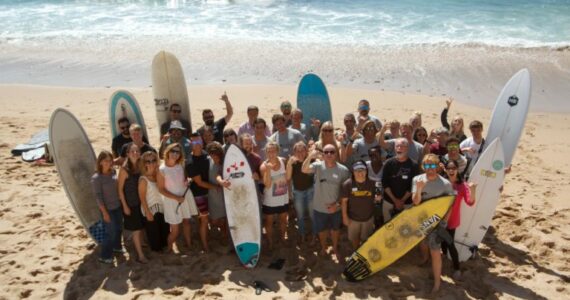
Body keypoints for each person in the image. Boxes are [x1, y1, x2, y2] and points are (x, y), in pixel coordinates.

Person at [411, 154, 454, 293]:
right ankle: (424, 259)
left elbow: (450, 205)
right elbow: (416, 202)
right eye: (427, 166)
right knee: (422, 244)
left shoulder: (445, 184)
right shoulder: (417, 180)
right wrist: (419, 188)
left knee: (435, 252)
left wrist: (444, 223)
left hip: (436, 223)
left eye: (433, 165)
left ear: (437, 166)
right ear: (424, 167)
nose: (430, 169)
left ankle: (437, 283)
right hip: (420, 220)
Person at [302, 144, 350, 260]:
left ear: (336, 154)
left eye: (332, 152)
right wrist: (310, 156)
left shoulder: (343, 170)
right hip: (319, 208)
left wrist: (337, 205)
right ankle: (323, 248)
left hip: (336, 209)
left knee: (335, 230)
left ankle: (334, 248)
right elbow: (304, 169)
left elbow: (346, 192)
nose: (329, 154)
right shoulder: (317, 166)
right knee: (322, 231)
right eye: (326, 152)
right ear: (323, 154)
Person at [442, 159, 477, 280]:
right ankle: (444, 261)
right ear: (445, 170)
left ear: (457, 170)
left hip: (452, 221)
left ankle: (457, 268)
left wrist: (473, 190)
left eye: (453, 168)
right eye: (449, 168)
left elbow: (470, 202)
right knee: (442, 242)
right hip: (438, 219)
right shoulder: (441, 182)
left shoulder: (462, 186)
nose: (451, 170)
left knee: (450, 244)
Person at [157, 143, 192, 253]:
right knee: (175, 230)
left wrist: (187, 181)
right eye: (173, 151)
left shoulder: (180, 165)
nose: (175, 154)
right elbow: (161, 189)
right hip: (172, 201)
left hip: (183, 197)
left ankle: (189, 244)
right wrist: (176, 198)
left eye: (178, 152)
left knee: (187, 222)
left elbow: (183, 180)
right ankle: (169, 248)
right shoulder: (161, 170)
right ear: (168, 152)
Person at [91, 150, 123, 264]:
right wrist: (104, 213)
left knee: (119, 228)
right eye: (105, 161)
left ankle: (117, 247)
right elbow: (98, 197)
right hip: (107, 209)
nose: (108, 163)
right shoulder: (96, 178)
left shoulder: (113, 172)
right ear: (100, 162)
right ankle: (105, 256)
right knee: (110, 232)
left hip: (118, 206)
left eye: (110, 161)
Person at [117, 143, 147, 263]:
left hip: (141, 201)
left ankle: (141, 244)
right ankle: (140, 255)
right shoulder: (124, 170)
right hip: (131, 204)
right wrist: (125, 206)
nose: (135, 153)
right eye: (132, 151)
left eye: (137, 151)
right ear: (128, 154)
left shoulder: (140, 166)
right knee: (136, 230)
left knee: (141, 227)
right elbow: (119, 190)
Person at [185, 133, 214, 252]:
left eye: (199, 142)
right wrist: (217, 187)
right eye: (195, 143)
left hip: (209, 191)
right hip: (199, 194)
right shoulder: (190, 162)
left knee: (206, 218)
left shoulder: (206, 154)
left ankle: (205, 238)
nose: (197, 145)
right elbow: (200, 182)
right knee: (204, 219)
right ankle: (205, 245)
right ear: (191, 144)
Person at [381, 138, 420, 223]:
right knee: (388, 227)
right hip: (389, 202)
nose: (399, 148)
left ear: (407, 148)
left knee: (406, 227)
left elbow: (413, 185)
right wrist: (395, 200)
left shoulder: (414, 165)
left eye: (402, 146)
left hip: (407, 203)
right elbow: (385, 183)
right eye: (397, 146)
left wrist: (402, 201)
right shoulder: (388, 163)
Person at [260, 141, 290, 250]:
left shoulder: (283, 161)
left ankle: (282, 238)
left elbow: (288, 178)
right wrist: (268, 169)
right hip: (270, 200)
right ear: (266, 153)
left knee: (283, 220)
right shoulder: (263, 166)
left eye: (273, 151)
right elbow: (267, 185)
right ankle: (270, 241)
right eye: (268, 151)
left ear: (277, 151)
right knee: (269, 222)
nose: (271, 153)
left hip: (283, 198)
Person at [138, 151, 169, 252]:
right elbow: (142, 198)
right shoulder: (143, 179)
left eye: (153, 160)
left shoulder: (159, 175)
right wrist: (147, 212)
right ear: (144, 163)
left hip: (162, 208)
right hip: (150, 210)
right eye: (148, 161)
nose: (151, 163)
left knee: (165, 232)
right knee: (154, 237)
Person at [341, 160, 376, 250]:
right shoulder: (347, 184)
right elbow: (344, 201)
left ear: (366, 171)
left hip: (368, 217)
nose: (360, 173)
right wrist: (345, 217)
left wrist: (378, 199)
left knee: (366, 239)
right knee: (354, 238)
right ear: (353, 172)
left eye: (362, 170)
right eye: (357, 170)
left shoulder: (373, 183)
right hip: (353, 218)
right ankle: (355, 251)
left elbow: (376, 199)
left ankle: (363, 252)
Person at [286, 141, 315, 243]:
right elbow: (288, 178)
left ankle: (314, 235)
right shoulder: (293, 163)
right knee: (300, 215)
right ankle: (302, 234)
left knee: (312, 214)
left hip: (310, 190)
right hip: (298, 192)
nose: (300, 153)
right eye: (297, 151)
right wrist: (289, 163)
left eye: (302, 150)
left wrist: (311, 154)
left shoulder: (312, 160)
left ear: (306, 151)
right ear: (294, 152)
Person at [205, 142, 228, 244]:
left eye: (215, 154)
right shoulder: (207, 161)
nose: (213, 156)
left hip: (224, 194)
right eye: (211, 154)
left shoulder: (225, 162)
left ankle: (225, 238)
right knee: (214, 219)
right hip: (212, 194)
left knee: (224, 219)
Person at [366, 146, 386, 227]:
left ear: (380, 154)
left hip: (383, 197)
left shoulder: (386, 166)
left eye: (376, 154)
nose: (373, 157)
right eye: (371, 155)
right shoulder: (366, 165)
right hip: (368, 196)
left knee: (380, 217)